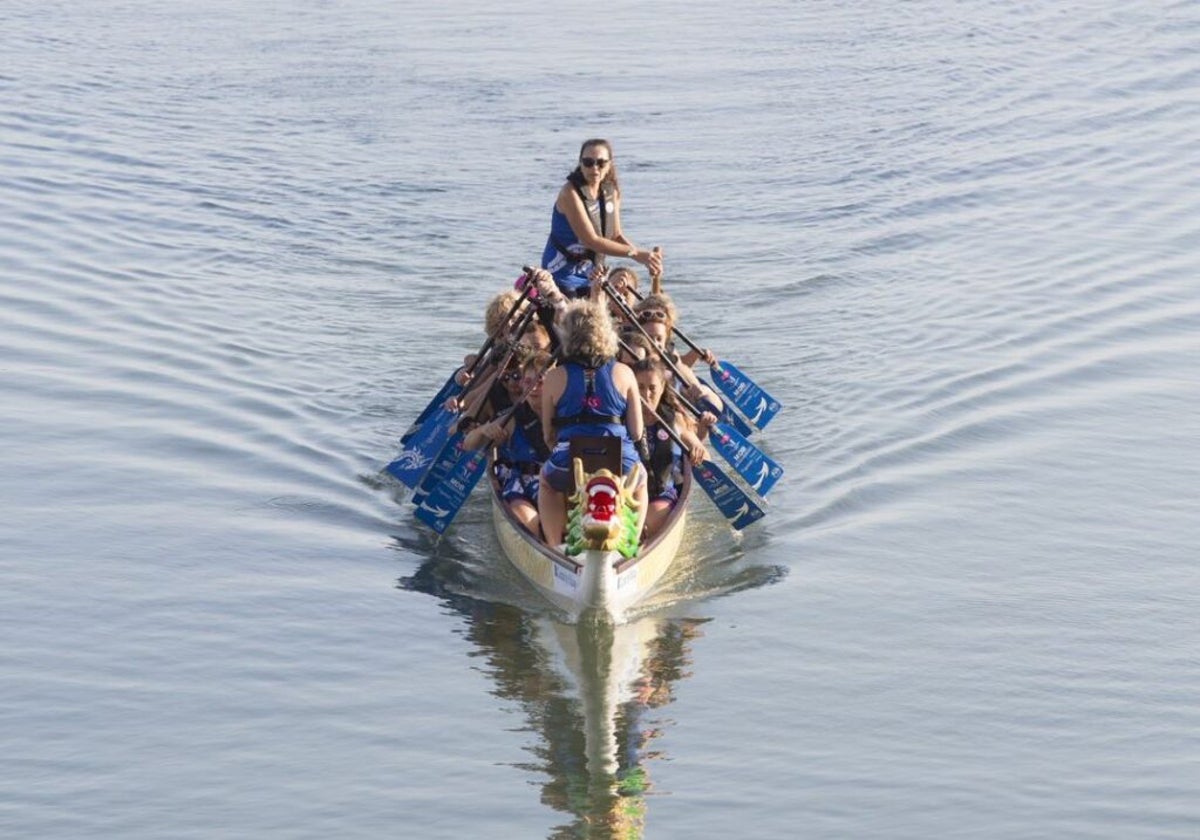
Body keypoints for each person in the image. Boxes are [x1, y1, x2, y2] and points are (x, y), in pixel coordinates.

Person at [538, 300, 647, 548]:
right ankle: (632, 543)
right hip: (619, 460)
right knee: (641, 480)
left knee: (546, 483)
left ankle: (555, 546)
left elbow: (548, 435)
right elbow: (637, 432)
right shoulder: (624, 372)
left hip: (570, 461)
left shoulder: (554, 377)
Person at [541, 139, 664, 299]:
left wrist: (646, 260)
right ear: (580, 163)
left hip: (592, 272)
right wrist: (636, 253)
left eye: (601, 163)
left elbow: (615, 235)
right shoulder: (569, 193)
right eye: (588, 162)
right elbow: (591, 241)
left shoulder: (611, 192)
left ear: (610, 164)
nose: (595, 168)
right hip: (562, 272)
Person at [463, 352, 553, 536]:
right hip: (522, 485)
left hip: (558, 482)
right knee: (528, 521)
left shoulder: (567, 417)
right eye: (528, 382)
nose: (534, 388)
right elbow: (468, 444)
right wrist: (483, 430)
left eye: (540, 382)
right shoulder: (511, 418)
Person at [633, 358, 713, 539]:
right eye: (640, 387)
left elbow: (705, 456)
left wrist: (697, 453)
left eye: (652, 388)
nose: (646, 395)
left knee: (644, 523)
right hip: (628, 496)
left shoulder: (673, 419)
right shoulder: (622, 418)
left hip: (663, 494)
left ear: (662, 388)